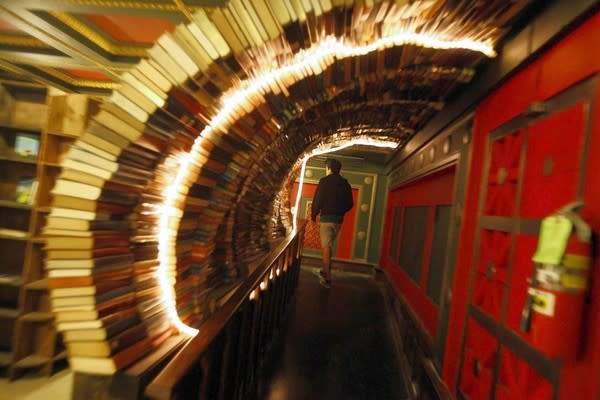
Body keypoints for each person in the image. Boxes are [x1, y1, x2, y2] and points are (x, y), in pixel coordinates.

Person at [311, 158, 353, 288]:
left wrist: (314, 215)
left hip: (326, 219)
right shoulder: (345, 183)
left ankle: (328, 277)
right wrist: (340, 212)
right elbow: (350, 203)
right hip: (339, 220)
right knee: (329, 245)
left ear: (329, 168)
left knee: (326, 247)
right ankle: (324, 270)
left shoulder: (324, 181)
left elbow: (318, 199)